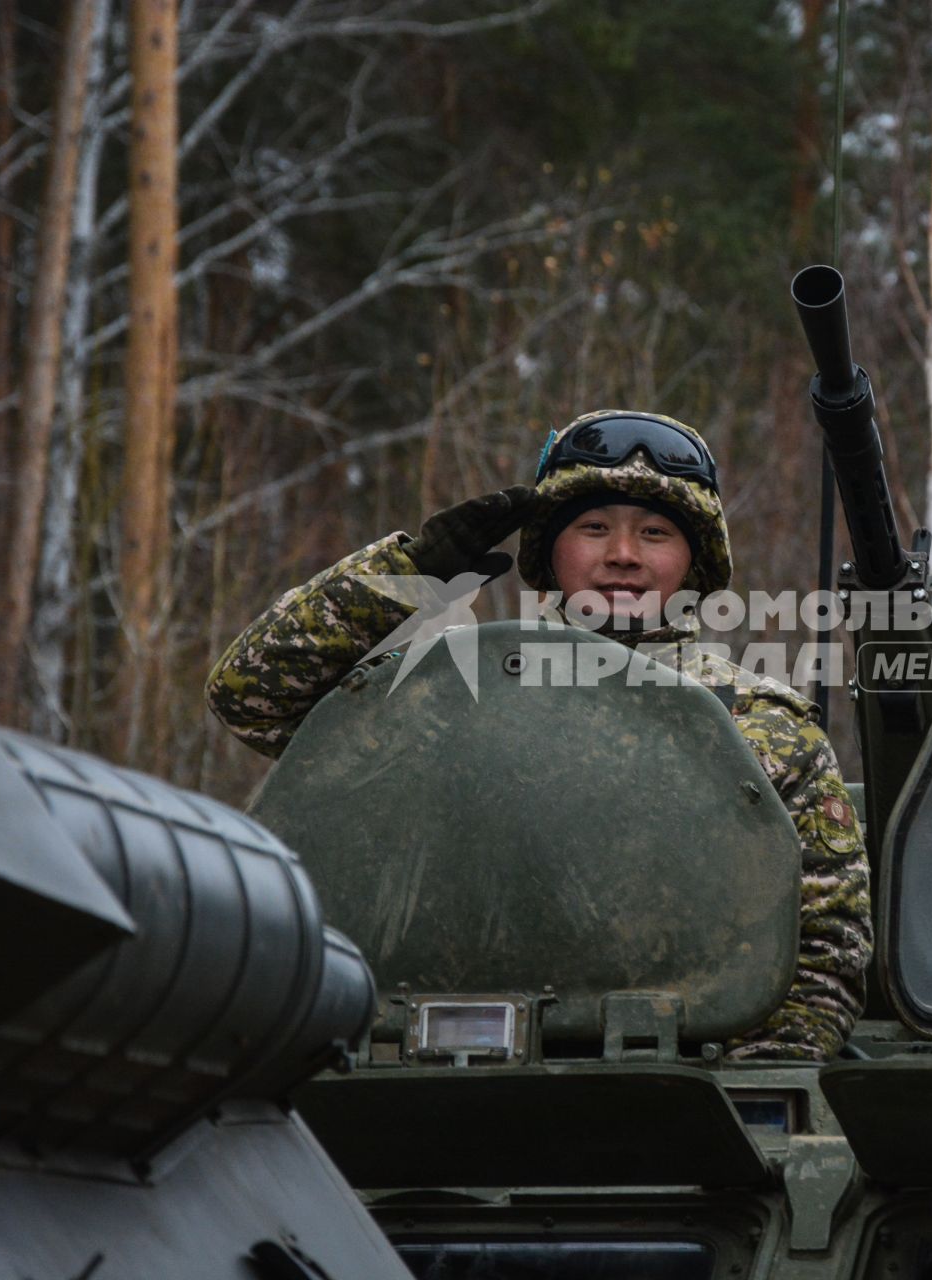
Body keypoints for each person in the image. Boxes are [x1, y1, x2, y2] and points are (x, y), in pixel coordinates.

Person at [206, 410, 871, 1061]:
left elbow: (823, 954)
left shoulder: (763, 724)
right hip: (434, 1072)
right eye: (593, 527)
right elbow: (251, 697)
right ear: (549, 551)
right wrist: (411, 575)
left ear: (697, 561)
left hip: (677, 1079)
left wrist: (729, 1103)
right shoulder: (451, 690)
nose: (623, 556)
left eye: (656, 533)